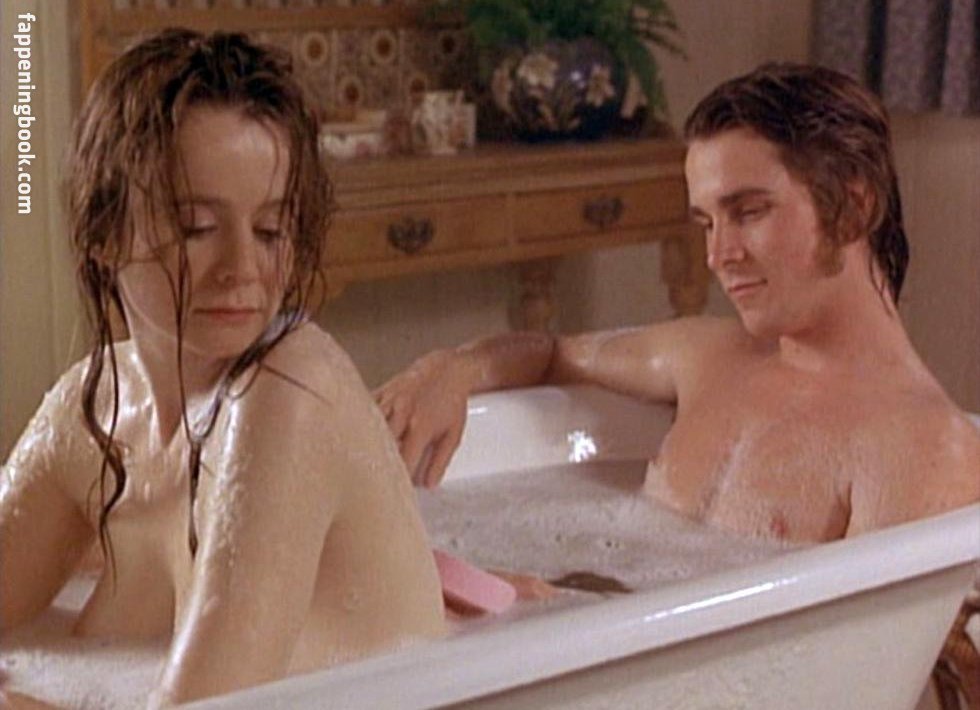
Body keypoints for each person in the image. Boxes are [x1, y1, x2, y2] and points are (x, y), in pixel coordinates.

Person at [0, 29, 445, 707]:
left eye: (270, 230)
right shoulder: (92, 411)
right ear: (102, 231)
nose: (243, 267)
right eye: (198, 227)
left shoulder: (291, 389)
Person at [376, 63, 980, 542]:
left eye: (748, 212)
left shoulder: (924, 451)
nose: (719, 255)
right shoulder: (707, 356)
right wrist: (452, 368)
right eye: (707, 223)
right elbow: (552, 354)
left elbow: (875, 660)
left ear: (854, 206)